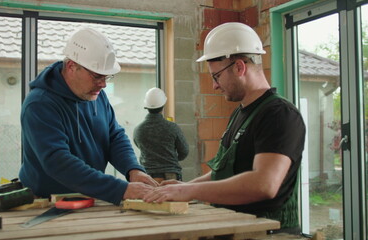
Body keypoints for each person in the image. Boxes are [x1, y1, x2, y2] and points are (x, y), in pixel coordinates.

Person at [143, 22, 306, 233]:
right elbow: (224, 172)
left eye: (216, 76)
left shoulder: (278, 114)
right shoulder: (241, 113)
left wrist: (191, 191)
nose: (214, 85)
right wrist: (184, 187)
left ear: (239, 67)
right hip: (237, 227)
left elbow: (263, 184)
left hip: (269, 232)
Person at [18, 27, 158, 206]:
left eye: (107, 77)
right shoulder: (40, 104)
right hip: (47, 203)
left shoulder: (95, 94)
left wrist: (133, 170)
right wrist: (120, 189)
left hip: (88, 197)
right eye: (97, 76)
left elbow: (114, 136)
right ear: (71, 67)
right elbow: (57, 162)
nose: (103, 84)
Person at [133, 87, 189, 183]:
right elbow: (184, 151)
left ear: (146, 106)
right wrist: (171, 158)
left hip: (147, 177)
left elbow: (139, 146)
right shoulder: (172, 127)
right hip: (170, 176)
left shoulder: (138, 129)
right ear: (163, 105)